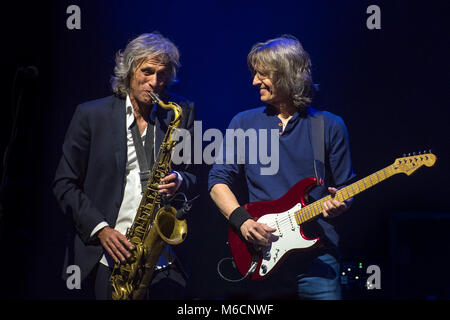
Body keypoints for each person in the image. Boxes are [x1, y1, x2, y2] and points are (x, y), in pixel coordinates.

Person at [208, 35, 355, 299]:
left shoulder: (330, 125)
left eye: (263, 74)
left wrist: (341, 203)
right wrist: (243, 222)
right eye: (255, 74)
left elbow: (346, 188)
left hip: (318, 258)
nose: (254, 81)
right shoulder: (243, 123)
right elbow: (218, 181)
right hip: (265, 253)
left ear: (288, 75)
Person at [53, 32, 196, 300]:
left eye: (163, 74)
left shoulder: (181, 112)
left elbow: (193, 175)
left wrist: (180, 179)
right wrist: (101, 229)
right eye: (148, 71)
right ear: (129, 70)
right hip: (110, 256)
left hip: (162, 258)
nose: (156, 82)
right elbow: (64, 183)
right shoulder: (90, 115)